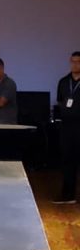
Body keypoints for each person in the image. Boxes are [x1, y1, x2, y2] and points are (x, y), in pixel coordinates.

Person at [54, 51, 80, 205]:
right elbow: (60, 101)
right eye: (73, 61)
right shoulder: (64, 81)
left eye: (78, 62)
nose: (75, 65)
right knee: (67, 160)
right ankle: (68, 195)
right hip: (67, 126)